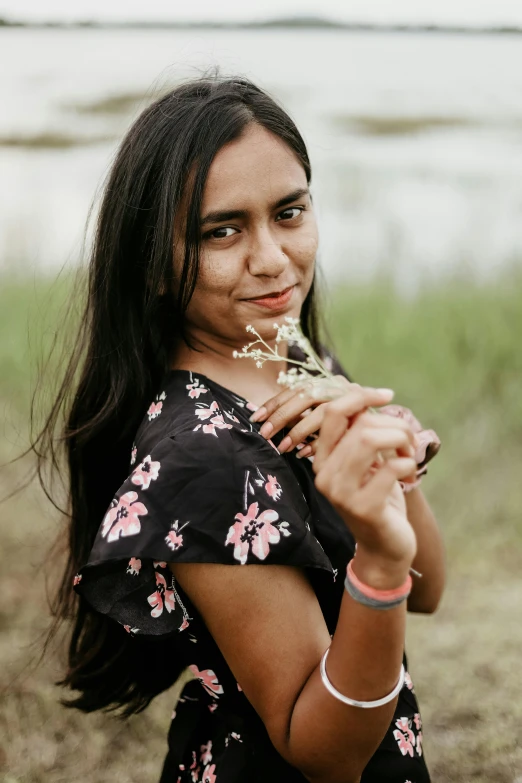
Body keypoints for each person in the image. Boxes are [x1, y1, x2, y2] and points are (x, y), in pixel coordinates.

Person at [41, 76, 445, 783]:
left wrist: (378, 446)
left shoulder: (288, 356)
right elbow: (323, 750)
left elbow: (431, 585)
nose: (271, 258)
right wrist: (378, 562)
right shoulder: (203, 457)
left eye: (289, 212)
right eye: (221, 230)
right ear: (154, 265)